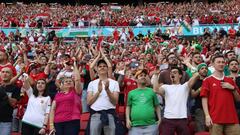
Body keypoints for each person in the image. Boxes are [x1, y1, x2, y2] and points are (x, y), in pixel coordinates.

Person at [200, 55, 240, 135]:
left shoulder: (230, 80)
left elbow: (238, 99)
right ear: (213, 64)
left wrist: (233, 88)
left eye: (223, 62)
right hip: (215, 119)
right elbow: (204, 99)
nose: (221, 64)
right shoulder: (207, 80)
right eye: (218, 62)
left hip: (232, 119)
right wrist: (207, 116)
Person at [154, 66, 199, 135]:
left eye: (175, 72)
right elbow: (156, 90)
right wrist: (156, 75)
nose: (172, 74)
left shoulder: (185, 86)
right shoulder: (165, 87)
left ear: (180, 75)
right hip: (168, 119)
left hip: (182, 119)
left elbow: (197, 75)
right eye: (171, 73)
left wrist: (188, 64)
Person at [49, 58, 82, 135]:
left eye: (70, 81)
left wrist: (74, 65)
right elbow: (53, 110)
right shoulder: (58, 95)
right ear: (61, 85)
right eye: (66, 81)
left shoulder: (76, 92)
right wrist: (51, 125)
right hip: (58, 122)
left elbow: (77, 79)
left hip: (72, 121)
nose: (68, 82)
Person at [87, 59, 120, 135]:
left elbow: (115, 102)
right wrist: (98, 92)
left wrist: (107, 90)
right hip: (95, 114)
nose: (102, 67)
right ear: (97, 69)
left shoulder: (114, 83)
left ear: (107, 68)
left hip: (110, 114)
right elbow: (89, 102)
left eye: (104, 66)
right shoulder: (92, 83)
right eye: (100, 66)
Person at [126, 69, 161, 135]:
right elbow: (128, 107)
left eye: (145, 75)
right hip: (135, 126)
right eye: (141, 75)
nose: (143, 77)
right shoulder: (131, 93)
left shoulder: (151, 91)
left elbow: (157, 106)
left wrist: (159, 119)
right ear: (136, 79)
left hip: (151, 125)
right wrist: (128, 120)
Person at [0, 66, 20, 135]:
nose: (4, 74)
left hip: (6, 121)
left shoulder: (16, 88)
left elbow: (13, 104)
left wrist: (4, 93)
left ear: (11, 76)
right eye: (3, 72)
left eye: (7, 72)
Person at [190, 63, 209, 132]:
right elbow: (192, 95)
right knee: (201, 129)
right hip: (199, 108)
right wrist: (200, 89)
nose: (204, 70)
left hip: (211, 107)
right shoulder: (195, 82)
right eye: (202, 68)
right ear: (198, 71)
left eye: (206, 68)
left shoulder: (210, 81)